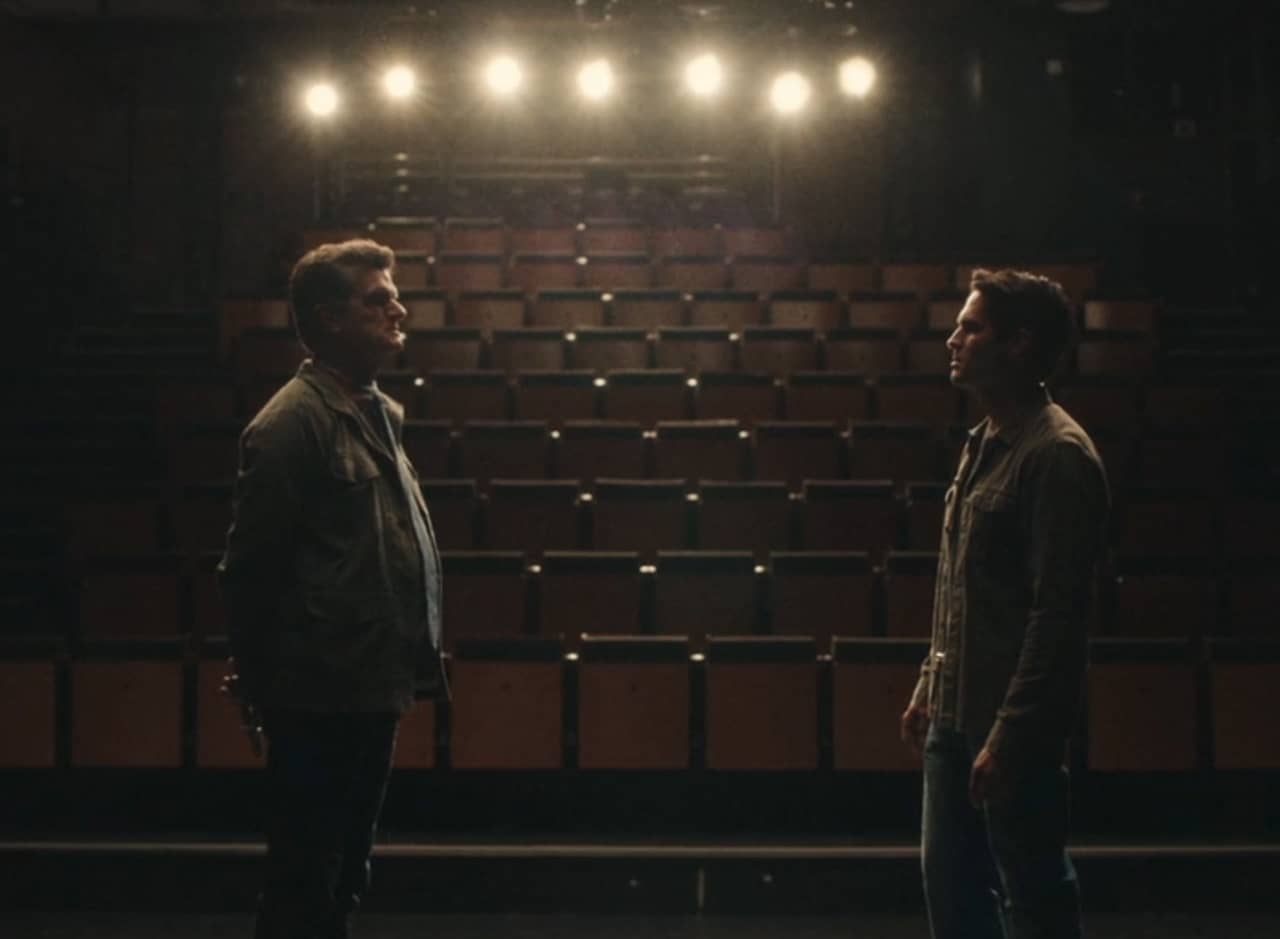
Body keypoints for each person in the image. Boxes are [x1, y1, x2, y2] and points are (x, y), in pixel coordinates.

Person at [219, 239, 446, 939]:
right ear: (330, 318)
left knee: (342, 871)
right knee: (305, 876)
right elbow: (251, 568)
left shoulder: (379, 414)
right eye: (377, 299)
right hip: (318, 690)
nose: (398, 307)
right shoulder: (292, 423)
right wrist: (265, 684)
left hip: (369, 682)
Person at [900, 268, 1109, 939]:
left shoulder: (1059, 456)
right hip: (955, 716)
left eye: (972, 326)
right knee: (953, 892)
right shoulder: (982, 441)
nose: (954, 337)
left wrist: (1012, 733)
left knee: (1034, 891)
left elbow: (1058, 617)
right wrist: (932, 681)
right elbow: (960, 583)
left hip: (1010, 725)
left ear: (1018, 344)